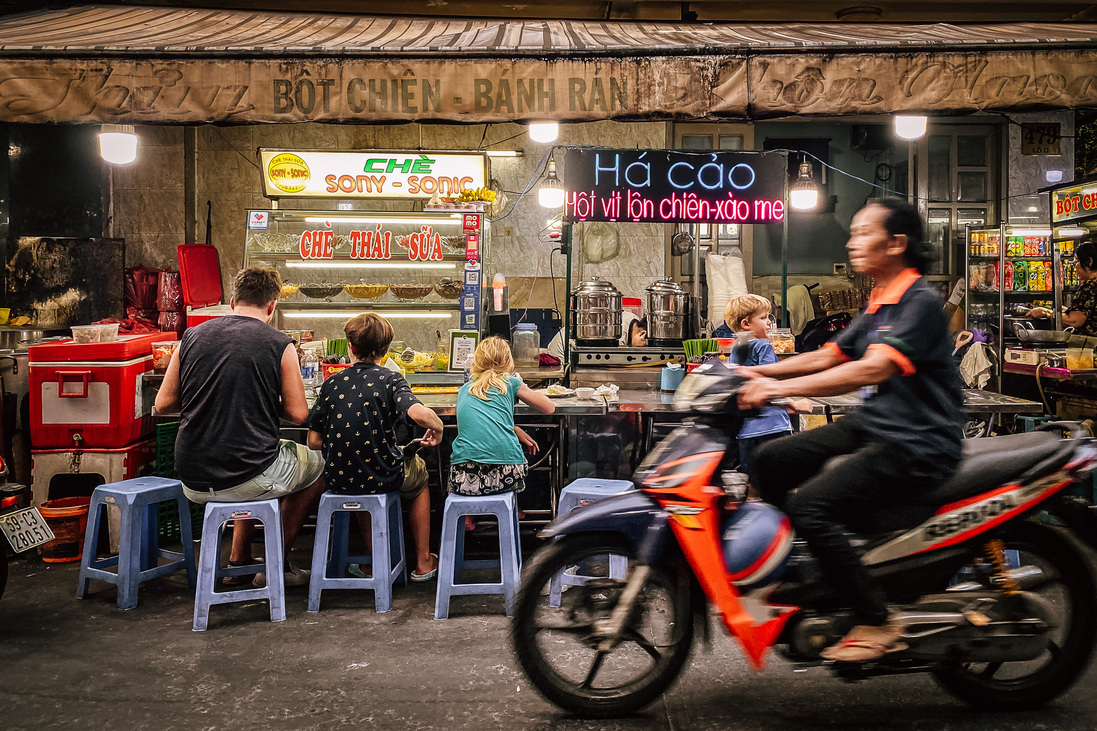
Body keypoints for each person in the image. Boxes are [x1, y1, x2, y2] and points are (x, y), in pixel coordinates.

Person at [737, 198, 964, 663]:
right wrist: (757, 375)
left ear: (897, 243)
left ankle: (876, 619)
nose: (850, 241)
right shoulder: (881, 299)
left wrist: (777, 390)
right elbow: (828, 356)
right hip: (879, 425)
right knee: (771, 460)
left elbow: (872, 369)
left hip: (916, 440)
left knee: (810, 504)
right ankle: (816, 568)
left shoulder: (918, 300)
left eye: (863, 232)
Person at [155, 267, 326, 587]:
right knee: (318, 467)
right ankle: (277, 564)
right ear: (272, 306)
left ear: (233, 301)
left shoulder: (190, 337)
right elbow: (299, 414)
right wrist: (256, 401)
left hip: (192, 476)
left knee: (256, 453)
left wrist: (210, 400)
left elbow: (163, 404)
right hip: (248, 472)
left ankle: (240, 559)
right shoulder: (280, 343)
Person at [306, 313, 444, 581]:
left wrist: (344, 442)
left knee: (357, 473)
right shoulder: (391, 379)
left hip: (338, 479)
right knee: (420, 476)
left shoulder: (331, 383)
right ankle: (424, 561)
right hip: (383, 476)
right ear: (386, 349)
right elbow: (419, 414)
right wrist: (437, 428)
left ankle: (373, 559)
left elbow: (313, 440)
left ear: (351, 347)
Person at [449, 337, 556, 524]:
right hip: (506, 476)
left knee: (471, 459)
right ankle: (512, 507)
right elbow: (549, 408)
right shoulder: (510, 382)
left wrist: (514, 428)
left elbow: (480, 422)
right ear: (509, 362)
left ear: (476, 362)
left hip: (462, 477)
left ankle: (469, 514)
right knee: (511, 457)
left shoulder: (465, 389)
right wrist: (522, 385)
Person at [723, 294, 795, 486]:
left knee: (753, 485)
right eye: (763, 318)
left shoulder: (737, 349)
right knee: (780, 483)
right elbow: (771, 382)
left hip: (746, 431)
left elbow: (736, 381)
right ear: (746, 324)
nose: (769, 323)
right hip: (773, 427)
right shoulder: (764, 346)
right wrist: (793, 402)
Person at [1028, 240, 1097, 336]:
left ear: (1089, 262)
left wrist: (1046, 314)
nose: (1075, 269)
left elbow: (1074, 321)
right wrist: (1049, 310)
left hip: (1090, 346)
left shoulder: (1090, 287)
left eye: (1076, 262)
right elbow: (1082, 311)